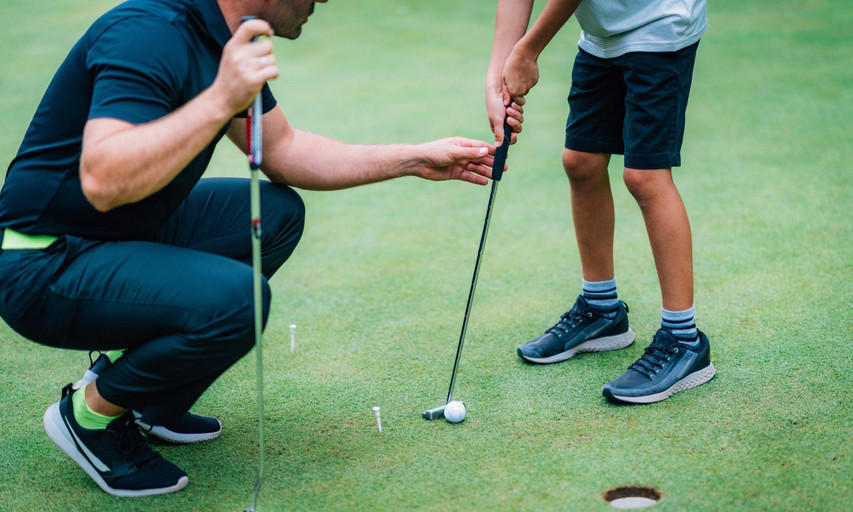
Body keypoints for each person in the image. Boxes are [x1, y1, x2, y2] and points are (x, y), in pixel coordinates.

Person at [0, 0, 501, 497]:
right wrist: (222, 96)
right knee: (240, 300)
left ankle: (149, 401)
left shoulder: (227, 38)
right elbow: (104, 180)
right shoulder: (149, 32)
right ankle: (89, 416)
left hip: (114, 235)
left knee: (277, 214)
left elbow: (283, 151)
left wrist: (415, 159)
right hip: (42, 262)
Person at [485, 0, 716, 404]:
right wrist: (498, 76)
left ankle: (684, 340)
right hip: (602, 34)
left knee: (645, 176)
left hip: (659, 27)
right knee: (581, 161)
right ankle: (602, 308)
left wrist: (528, 51)